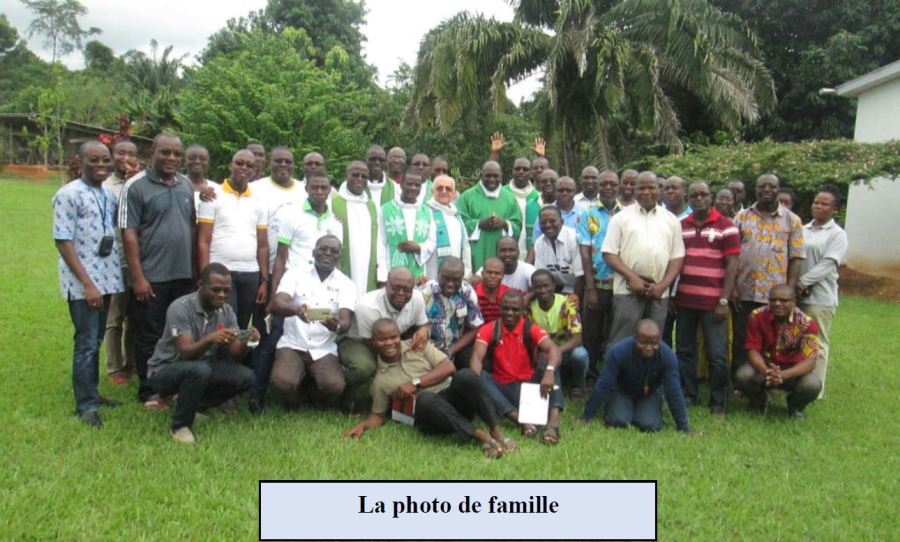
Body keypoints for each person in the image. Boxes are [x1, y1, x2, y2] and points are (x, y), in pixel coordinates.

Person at [342, 319, 516, 459]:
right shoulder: (380, 381)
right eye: (382, 339)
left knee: (466, 375)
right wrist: (363, 425)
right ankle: (480, 436)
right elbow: (378, 416)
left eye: (393, 337)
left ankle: (495, 430)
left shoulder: (418, 345)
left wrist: (415, 383)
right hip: (432, 416)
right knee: (425, 399)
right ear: (374, 342)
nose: (389, 343)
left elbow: (449, 367)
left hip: (454, 399)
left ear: (399, 336)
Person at [118, 133, 196, 409]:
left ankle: (171, 384)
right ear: (152, 152)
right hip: (151, 276)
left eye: (177, 153)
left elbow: (192, 227)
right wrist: (138, 277)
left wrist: (195, 272)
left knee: (178, 333)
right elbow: (129, 235)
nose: (171, 158)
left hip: (182, 276)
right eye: (165, 152)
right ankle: (149, 390)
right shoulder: (135, 186)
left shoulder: (185, 184)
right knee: (149, 334)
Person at [54, 140, 125, 428]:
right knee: (85, 342)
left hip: (107, 278)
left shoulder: (107, 194)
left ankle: (92, 393)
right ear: (80, 162)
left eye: (105, 160)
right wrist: (87, 284)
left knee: (95, 340)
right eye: (94, 160)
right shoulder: (68, 194)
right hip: (84, 283)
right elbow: (63, 241)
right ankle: (86, 406)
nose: (101, 165)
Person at [146, 263, 257, 444]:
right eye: (216, 289)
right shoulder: (180, 308)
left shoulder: (226, 311)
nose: (222, 295)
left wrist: (249, 341)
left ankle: (191, 406)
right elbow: (185, 352)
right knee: (199, 370)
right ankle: (180, 426)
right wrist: (210, 339)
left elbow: (235, 354)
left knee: (246, 377)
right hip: (165, 370)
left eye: (226, 291)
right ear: (201, 285)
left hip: (201, 370)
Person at [247, 146, 309, 411]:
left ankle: (296, 388)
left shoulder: (304, 190)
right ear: (269, 162)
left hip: (298, 278)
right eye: (278, 160)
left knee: (296, 333)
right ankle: (255, 392)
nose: (283, 165)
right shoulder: (256, 188)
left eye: (288, 161)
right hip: (267, 273)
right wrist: (266, 279)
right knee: (266, 336)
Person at [267, 236, 356, 409]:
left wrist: (334, 325)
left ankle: (311, 390)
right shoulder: (295, 274)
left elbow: (345, 324)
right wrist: (296, 310)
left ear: (339, 256)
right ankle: (295, 396)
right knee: (281, 382)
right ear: (313, 252)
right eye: (323, 249)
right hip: (293, 343)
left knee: (334, 386)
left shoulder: (347, 284)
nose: (328, 253)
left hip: (323, 348)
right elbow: (278, 302)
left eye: (334, 251)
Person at [675, 182, 739, 414]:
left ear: (711, 197)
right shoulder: (681, 226)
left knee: (717, 354)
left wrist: (724, 300)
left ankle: (718, 401)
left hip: (714, 304)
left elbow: (732, 265)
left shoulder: (727, 226)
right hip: (685, 301)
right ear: (688, 199)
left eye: (703, 194)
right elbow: (675, 261)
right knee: (684, 350)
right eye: (694, 195)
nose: (699, 199)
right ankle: (690, 394)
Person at [602, 171, 685, 347]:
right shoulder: (620, 218)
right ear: (635, 190)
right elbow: (609, 253)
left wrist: (663, 286)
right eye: (641, 188)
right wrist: (633, 278)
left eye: (651, 187)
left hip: (658, 292)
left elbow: (677, 257)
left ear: (659, 190)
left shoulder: (671, 220)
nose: (646, 192)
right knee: (621, 342)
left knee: (652, 344)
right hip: (627, 290)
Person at [470, 290, 564, 445]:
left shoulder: (530, 327)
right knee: (478, 376)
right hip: (503, 388)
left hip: (531, 386)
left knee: (552, 365)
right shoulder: (488, 329)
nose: (510, 313)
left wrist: (549, 372)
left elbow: (554, 349)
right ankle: (521, 420)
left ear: (522, 310)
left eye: (515, 310)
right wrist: (475, 382)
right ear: (500, 308)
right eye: (506, 308)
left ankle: (553, 425)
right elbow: (477, 357)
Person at [733, 174, 805, 372]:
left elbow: (796, 258)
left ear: (778, 189)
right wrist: (732, 288)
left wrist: (789, 292)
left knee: (772, 341)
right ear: (755, 190)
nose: (766, 190)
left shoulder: (792, 220)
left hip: (775, 297)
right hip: (744, 292)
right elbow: (731, 255)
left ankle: (772, 377)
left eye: (771, 186)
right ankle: (740, 380)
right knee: (741, 339)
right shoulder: (741, 217)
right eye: (761, 186)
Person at [340, 268, 431, 412]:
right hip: (359, 341)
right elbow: (373, 347)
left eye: (407, 289)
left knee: (421, 356)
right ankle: (343, 392)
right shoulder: (367, 306)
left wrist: (424, 331)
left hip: (393, 340)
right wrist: (398, 368)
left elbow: (423, 325)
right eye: (396, 288)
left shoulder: (417, 298)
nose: (401, 293)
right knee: (364, 366)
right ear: (386, 285)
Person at [197, 149, 269, 329]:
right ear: (230, 165)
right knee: (222, 324)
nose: (244, 167)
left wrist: (264, 280)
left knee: (242, 326)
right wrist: (205, 275)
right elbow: (203, 240)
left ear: (255, 170)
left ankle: (239, 350)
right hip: (220, 271)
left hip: (250, 273)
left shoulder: (260, 200)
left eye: (249, 165)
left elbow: (262, 245)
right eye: (239, 163)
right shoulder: (213, 195)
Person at [580, 320, 692, 434]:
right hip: (622, 390)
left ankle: (645, 410)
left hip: (650, 393)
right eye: (643, 342)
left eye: (654, 343)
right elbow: (604, 385)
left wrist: (684, 427)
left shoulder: (668, 356)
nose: (648, 347)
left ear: (660, 340)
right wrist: (586, 417)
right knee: (618, 421)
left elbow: (674, 391)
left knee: (649, 425)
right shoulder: (618, 351)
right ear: (635, 339)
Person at [733, 285, 822, 419]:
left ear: (794, 301)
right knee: (743, 375)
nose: (777, 304)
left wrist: (783, 375)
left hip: (793, 371)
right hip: (764, 368)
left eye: (783, 300)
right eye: (773, 300)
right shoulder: (756, 316)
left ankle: (795, 406)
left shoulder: (807, 323)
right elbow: (752, 350)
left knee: (812, 384)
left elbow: (811, 361)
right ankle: (759, 401)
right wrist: (766, 372)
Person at [797, 185, 847, 398]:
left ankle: (815, 388)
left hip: (819, 299)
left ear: (835, 208)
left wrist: (802, 282)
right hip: (795, 296)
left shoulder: (837, 234)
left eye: (824, 204)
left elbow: (828, 264)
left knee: (816, 343)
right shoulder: (803, 229)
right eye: (816, 202)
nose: (818, 206)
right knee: (796, 340)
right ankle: (796, 382)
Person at [577, 169, 624, 375]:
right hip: (597, 283)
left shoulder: (627, 214)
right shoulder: (588, 214)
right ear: (597, 186)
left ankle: (612, 371)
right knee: (592, 331)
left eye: (612, 184)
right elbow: (585, 253)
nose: (608, 188)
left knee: (615, 330)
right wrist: (591, 289)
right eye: (603, 184)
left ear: (618, 186)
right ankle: (590, 371)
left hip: (621, 284)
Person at [102, 139, 139, 385]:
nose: (126, 157)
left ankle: (131, 362)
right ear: (112, 156)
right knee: (114, 317)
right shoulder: (106, 186)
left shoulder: (142, 183)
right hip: (114, 261)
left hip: (139, 261)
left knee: (135, 317)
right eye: (120, 153)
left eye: (131, 153)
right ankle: (115, 367)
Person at [529, 270, 589, 397]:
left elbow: (578, 339)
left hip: (566, 351)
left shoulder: (567, 303)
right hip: (542, 354)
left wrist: (556, 351)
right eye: (538, 287)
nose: (543, 290)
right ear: (532, 289)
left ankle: (578, 386)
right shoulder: (530, 308)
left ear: (554, 286)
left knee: (580, 354)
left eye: (546, 286)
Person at [272, 173, 343, 282]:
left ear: (329, 190)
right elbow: (281, 258)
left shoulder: (335, 221)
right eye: (314, 188)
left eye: (323, 188)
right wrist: (275, 290)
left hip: (323, 282)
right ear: (306, 189)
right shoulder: (291, 215)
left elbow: (336, 259)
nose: (319, 192)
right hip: (295, 281)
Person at [420, 257, 484, 370]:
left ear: (462, 277)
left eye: (456, 280)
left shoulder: (468, 292)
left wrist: (451, 351)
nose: (450, 284)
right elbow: (416, 326)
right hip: (427, 349)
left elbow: (475, 328)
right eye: (446, 278)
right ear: (438, 275)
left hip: (456, 348)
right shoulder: (425, 292)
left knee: (473, 366)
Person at [457, 161, 522, 271]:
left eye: (496, 176)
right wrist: (480, 223)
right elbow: (459, 223)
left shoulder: (510, 198)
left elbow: (517, 224)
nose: (492, 179)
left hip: (503, 251)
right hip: (476, 249)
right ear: (481, 175)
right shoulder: (467, 196)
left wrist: (504, 223)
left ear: (501, 177)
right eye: (488, 176)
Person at [378, 170, 436, 282]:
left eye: (417, 185)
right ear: (401, 184)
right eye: (409, 184)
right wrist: (382, 275)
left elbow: (432, 241)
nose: (413, 188)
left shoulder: (427, 212)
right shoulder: (386, 209)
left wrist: (419, 248)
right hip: (392, 270)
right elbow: (381, 243)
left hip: (418, 273)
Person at [332, 161, 380, 295]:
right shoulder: (334, 202)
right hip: (344, 263)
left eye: (364, 177)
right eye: (355, 175)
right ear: (346, 176)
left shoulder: (371, 206)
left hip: (368, 264)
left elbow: (378, 238)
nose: (359, 179)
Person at [424, 175, 472, 280]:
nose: (444, 191)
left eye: (448, 189)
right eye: (440, 188)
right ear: (432, 191)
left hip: (453, 277)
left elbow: (465, 246)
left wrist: (466, 273)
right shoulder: (425, 213)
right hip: (430, 274)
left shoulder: (456, 216)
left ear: (454, 193)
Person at [527, 206, 583, 294]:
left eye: (552, 221)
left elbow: (581, 275)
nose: (548, 225)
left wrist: (575, 297)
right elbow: (542, 275)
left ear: (562, 222)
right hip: (554, 291)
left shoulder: (574, 238)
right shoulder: (539, 243)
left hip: (577, 289)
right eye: (543, 222)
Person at [500, 156, 540, 258]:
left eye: (525, 169)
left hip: (531, 252)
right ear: (512, 171)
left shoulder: (537, 196)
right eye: (517, 169)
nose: (521, 172)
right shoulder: (501, 193)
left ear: (531, 173)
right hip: (505, 251)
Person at [473, 257, 509, 324]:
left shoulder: (507, 293)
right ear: (482, 273)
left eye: (497, 273)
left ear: (503, 276)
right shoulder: (472, 294)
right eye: (489, 272)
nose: (493, 276)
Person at [185, 144, 212, 210]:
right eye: (192, 158)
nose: (197, 161)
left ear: (208, 162)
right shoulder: (174, 185)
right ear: (184, 160)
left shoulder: (216, 189)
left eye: (203, 159)